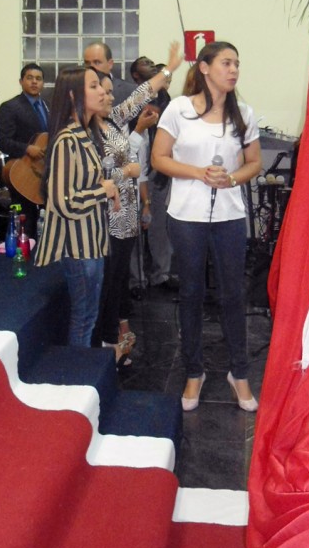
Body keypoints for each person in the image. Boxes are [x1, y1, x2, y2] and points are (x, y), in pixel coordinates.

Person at [152, 40, 262, 413]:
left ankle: (239, 373)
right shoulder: (179, 109)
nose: (233, 70)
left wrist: (231, 179)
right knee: (191, 294)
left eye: (237, 64)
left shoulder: (243, 114)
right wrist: (198, 173)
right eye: (226, 63)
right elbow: (159, 158)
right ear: (204, 67)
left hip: (229, 216)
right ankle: (194, 371)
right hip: (186, 216)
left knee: (233, 294)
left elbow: (254, 163)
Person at [91, 43, 183, 363]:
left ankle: (119, 338)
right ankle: (105, 346)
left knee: (118, 283)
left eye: (109, 92)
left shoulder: (114, 120)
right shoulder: (83, 131)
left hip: (127, 217)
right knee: (109, 285)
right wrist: (126, 171)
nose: (108, 96)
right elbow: (94, 176)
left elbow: (142, 94)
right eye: (100, 92)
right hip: (106, 220)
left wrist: (170, 68)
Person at [34, 66, 119, 347]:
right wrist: (102, 191)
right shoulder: (67, 140)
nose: (102, 92)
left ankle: (80, 365)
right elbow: (63, 202)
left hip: (92, 241)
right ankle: (75, 369)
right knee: (83, 318)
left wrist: (107, 190)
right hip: (77, 246)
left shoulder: (86, 134)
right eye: (94, 86)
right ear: (72, 95)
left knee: (89, 316)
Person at [129, 56, 176, 296]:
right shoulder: (132, 99)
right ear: (136, 76)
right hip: (134, 166)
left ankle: (161, 274)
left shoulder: (166, 98)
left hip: (159, 168)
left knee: (159, 224)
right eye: (144, 64)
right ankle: (136, 279)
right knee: (133, 227)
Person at [0, 63, 50, 238]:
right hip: (23, 174)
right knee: (26, 224)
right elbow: (2, 141)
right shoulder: (10, 107)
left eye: (38, 79)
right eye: (30, 78)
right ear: (21, 81)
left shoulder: (47, 107)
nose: (34, 82)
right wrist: (26, 148)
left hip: (45, 174)